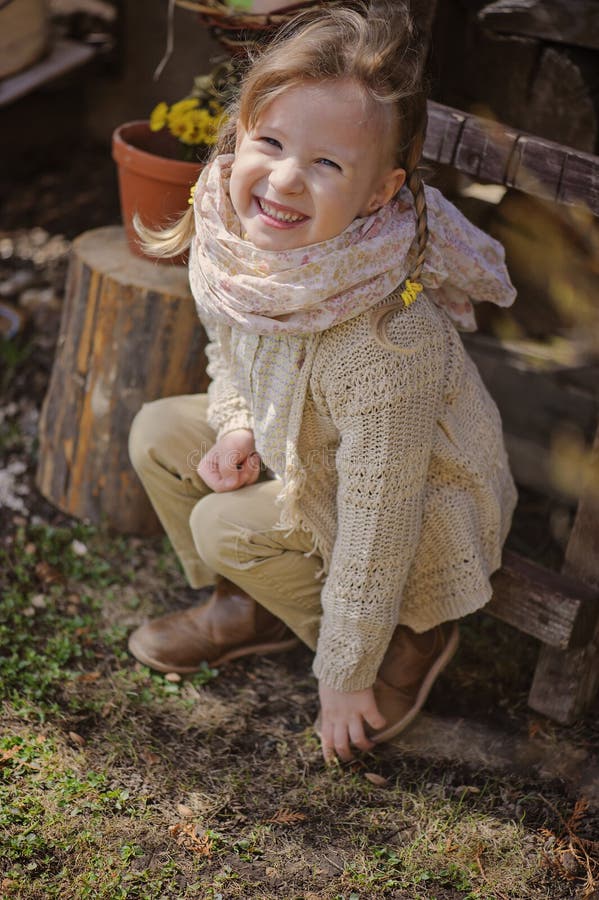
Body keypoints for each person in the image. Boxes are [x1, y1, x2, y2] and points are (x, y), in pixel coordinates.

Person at [127, 0, 517, 764]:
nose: (284, 179)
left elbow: (380, 524)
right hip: (308, 444)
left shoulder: (383, 340)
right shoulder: (248, 258)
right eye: (268, 143)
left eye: (326, 164)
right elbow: (236, 359)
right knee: (158, 435)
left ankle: (410, 637)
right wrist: (238, 423)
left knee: (222, 525)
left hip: (414, 520)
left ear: (379, 194)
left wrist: (344, 676)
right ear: (238, 139)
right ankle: (252, 605)